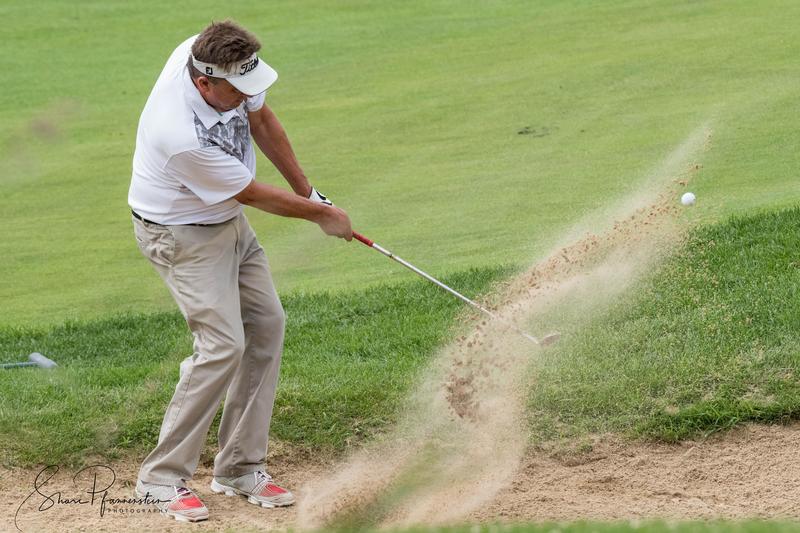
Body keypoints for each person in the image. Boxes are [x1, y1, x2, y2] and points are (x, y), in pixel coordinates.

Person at [128, 19, 352, 523]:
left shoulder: (215, 59)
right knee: (222, 346)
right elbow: (249, 192)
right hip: (180, 233)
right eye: (236, 90)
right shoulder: (178, 134)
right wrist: (321, 216)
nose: (246, 95)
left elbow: (262, 119)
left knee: (267, 325)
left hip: (225, 220)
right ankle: (160, 478)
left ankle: (238, 467)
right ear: (203, 82)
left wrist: (310, 193)